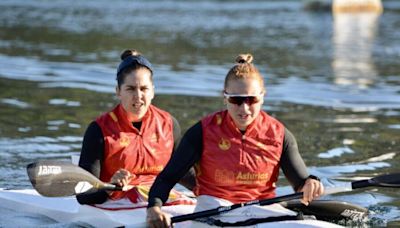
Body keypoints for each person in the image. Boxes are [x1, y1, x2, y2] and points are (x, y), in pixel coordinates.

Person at [146, 54, 324, 227]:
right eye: (236, 100)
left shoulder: (279, 134)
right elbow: (167, 178)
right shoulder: (202, 131)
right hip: (213, 210)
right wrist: (154, 207)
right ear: (225, 97)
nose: (244, 109)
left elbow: (301, 181)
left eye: (251, 99)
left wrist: (311, 183)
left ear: (262, 96)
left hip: (263, 210)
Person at [77, 49, 194, 205]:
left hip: (159, 200)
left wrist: (222, 190)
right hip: (117, 201)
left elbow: (184, 173)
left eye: (144, 89)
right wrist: (111, 186)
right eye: (130, 89)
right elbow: (83, 195)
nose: (138, 96)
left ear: (153, 91)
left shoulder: (169, 124)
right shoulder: (98, 130)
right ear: (118, 91)